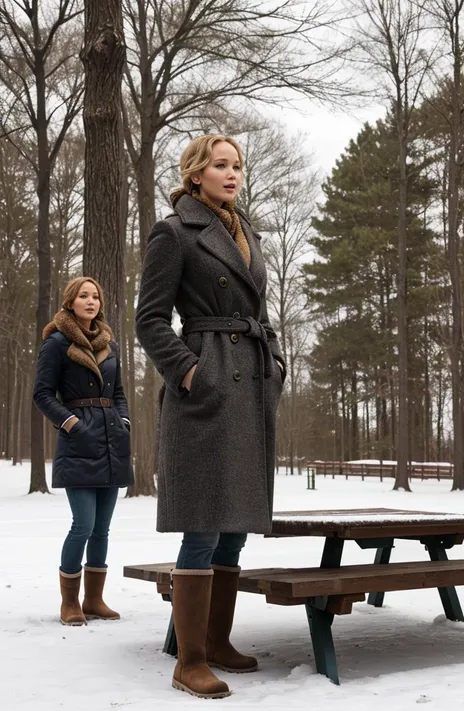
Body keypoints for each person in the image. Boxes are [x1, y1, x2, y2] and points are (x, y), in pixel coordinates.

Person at [136, 134, 285, 698]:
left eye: (238, 165)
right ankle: (189, 660)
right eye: (221, 165)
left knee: (234, 525)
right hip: (208, 389)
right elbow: (149, 320)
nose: (232, 174)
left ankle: (218, 642)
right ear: (195, 174)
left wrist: (274, 362)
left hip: (249, 385)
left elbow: (259, 310)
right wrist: (191, 372)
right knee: (201, 523)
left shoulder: (246, 233)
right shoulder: (174, 232)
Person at [33, 277, 134, 626]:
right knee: (83, 524)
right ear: (70, 302)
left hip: (111, 439)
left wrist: (124, 420)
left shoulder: (111, 345)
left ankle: (94, 599)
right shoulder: (57, 343)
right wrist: (72, 424)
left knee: (102, 529)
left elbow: (118, 391)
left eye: (95, 296)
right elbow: (42, 394)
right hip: (79, 439)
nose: (91, 301)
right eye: (83, 296)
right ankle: (70, 602)